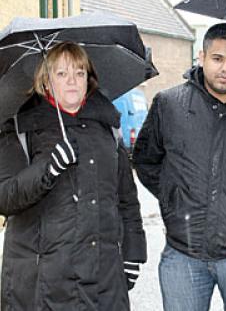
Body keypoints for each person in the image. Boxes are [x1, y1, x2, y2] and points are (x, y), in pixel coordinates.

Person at [132, 23, 226, 311]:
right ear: (201, 57)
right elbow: (146, 160)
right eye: (217, 58)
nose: (225, 68)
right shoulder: (169, 105)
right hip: (183, 254)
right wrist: (174, 198)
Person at [0, 42, 147, 310]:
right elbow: (6, 198)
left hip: (103, 276)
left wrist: (133, 253)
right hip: (42, 280)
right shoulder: (20, 128)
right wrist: (49, 166)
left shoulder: (108, 128)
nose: (72, 81)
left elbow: (126, 198)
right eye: (61, 74)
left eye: (79, 73)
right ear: (45, 80)